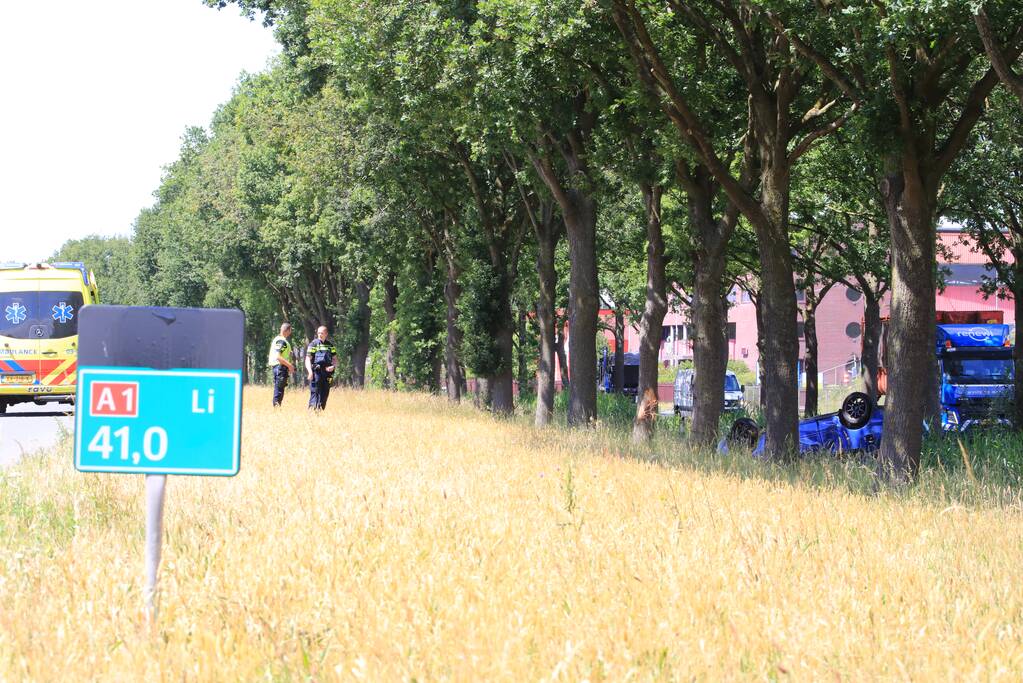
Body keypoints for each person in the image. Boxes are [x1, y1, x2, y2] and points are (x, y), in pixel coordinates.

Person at [305, 325, 338, 410]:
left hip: (327, 373)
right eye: (319, 333)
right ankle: (311, 412)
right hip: (316, 372)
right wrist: (310, 372)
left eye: (322, 333)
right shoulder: (313, 344)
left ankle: (320, 412)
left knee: (325, 393)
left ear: (326, 334)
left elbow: (335, 359)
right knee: (315, 392)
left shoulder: (330, 346)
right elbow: (308, 359)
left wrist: (333, 367)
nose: (320, 334)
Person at [268, 323, 295, 407]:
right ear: (288, 330)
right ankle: (276, 409)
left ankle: (277, 408)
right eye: (290, 330)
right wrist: (290, 366)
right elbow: (279, 357)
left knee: (279, 389)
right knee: (279, 391)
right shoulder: (282, 341)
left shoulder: (277, 339)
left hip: (278, 368)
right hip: (280, 367)